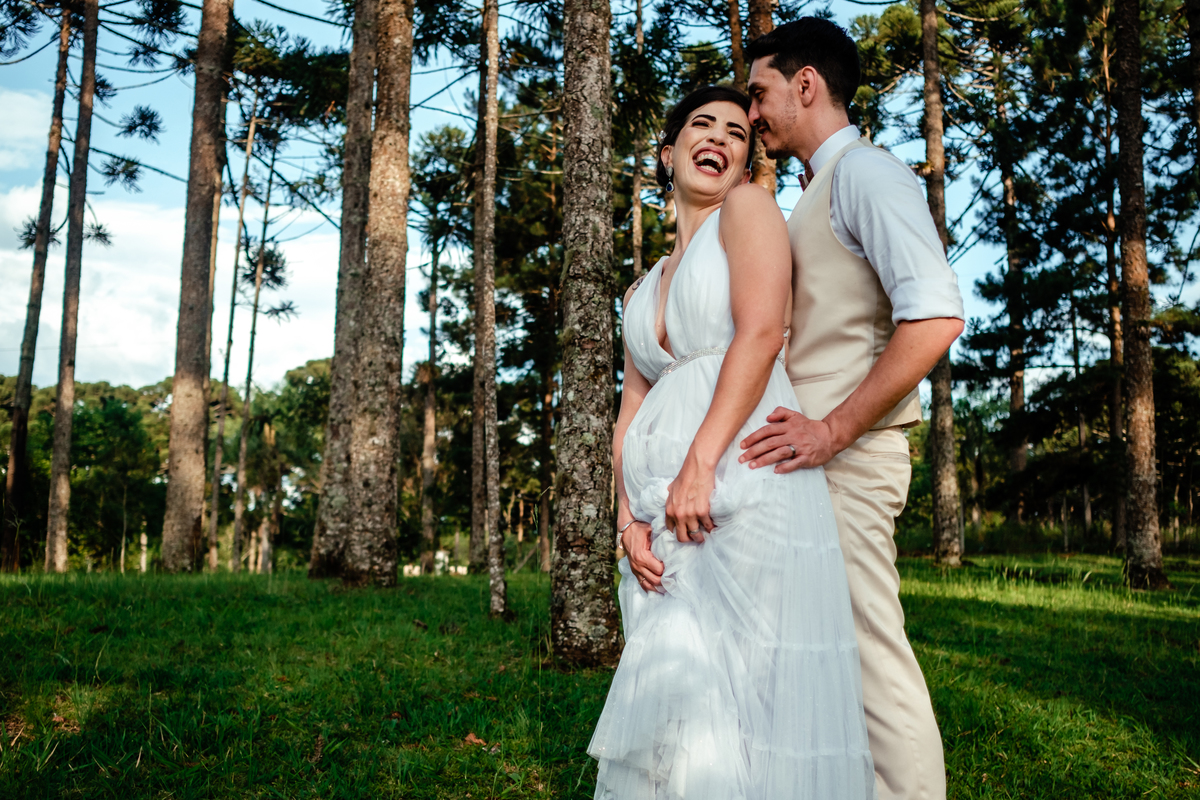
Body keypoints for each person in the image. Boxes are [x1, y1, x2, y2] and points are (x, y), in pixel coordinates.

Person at [588, 85, 876, 800]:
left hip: (737, 476)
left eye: (736, 132)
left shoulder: (746, 212)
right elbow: (629, 410)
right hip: (655, 506)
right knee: (677, 696)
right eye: (701, 125)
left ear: (747, 160)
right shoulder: (640, 289)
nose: (719, 136)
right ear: (668, 153)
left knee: (748, 686)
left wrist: (699, 465)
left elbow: (760, 333)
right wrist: (626, 519)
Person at [738, 17, 966, 800]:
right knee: (820, 659)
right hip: (806, 465)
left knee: (869, 658)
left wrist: (834, 428)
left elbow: (934, 317)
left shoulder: (868, 175)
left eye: (760, 92)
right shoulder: (811, 193)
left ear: (807, 84)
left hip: (850, 459)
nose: (752, 113)